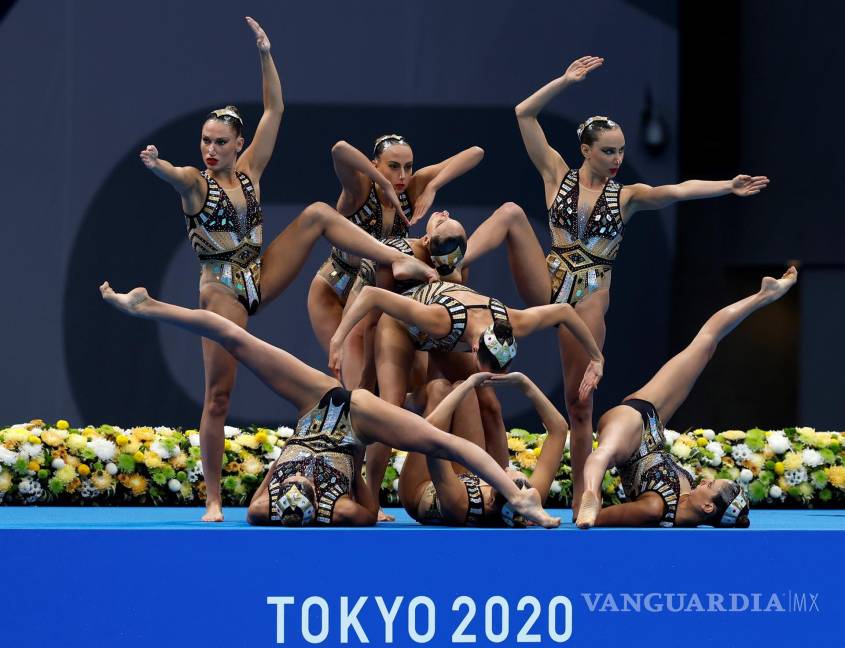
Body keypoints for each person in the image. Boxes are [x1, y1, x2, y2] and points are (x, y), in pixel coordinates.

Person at [514, 55, 770, 517]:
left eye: (621, 152)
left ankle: (578, 501)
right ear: (586, 150)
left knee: (579, 406)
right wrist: (565, 81)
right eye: (609, 151)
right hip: (550, 283)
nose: (618, 160)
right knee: (510, 217)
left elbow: (677, 190)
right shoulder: (556, 175)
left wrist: (726, 186)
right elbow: (524, 114)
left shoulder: (626, 197)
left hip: (589, 297)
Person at [98, 282, 560, 528]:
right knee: (443, 444)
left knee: (234, 336)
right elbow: (361, 504)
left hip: (314, 405)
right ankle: (520, 496)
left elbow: (271, 476)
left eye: (288, 497)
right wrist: (358, 465)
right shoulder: (336, 513)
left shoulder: (264, 511)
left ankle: (147, 306)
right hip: (356, 420)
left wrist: (291, 462)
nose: (295, 489)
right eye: (301, 496)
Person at [575, 267, 797, 529]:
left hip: (630, 434)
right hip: (652, 425)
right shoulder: (686, 496)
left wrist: (591, 509)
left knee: (606, 453)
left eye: (711, 485)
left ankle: (590, 493)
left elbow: (600, 520)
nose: (705, 480)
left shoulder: (654, 509)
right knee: (706, 343)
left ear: (708, 507)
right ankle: (764, 295)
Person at [308, 136, 484, 388]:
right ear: (374, 165)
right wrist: (381, 181)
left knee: (398, 375)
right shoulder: (359, 190)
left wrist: (433, 186)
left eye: (408, 166)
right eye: (393, 166)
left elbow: (475, 151)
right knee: (353, 384)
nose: (402, 175)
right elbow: (339, 149)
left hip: (376, 285)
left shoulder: (411, 188)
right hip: (335, 287)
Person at [399, 371, 567, 527]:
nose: (508, 468)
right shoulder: (527, 495)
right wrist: (525, 383)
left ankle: (405, 404)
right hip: (464, 476)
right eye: (521, 479)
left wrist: (469, 383)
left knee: (440, 390)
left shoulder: (458, 503)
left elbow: (430, 435)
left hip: (420, 489)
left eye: (510, 478)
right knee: (465, 393)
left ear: (491, 501)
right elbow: (559, 429)